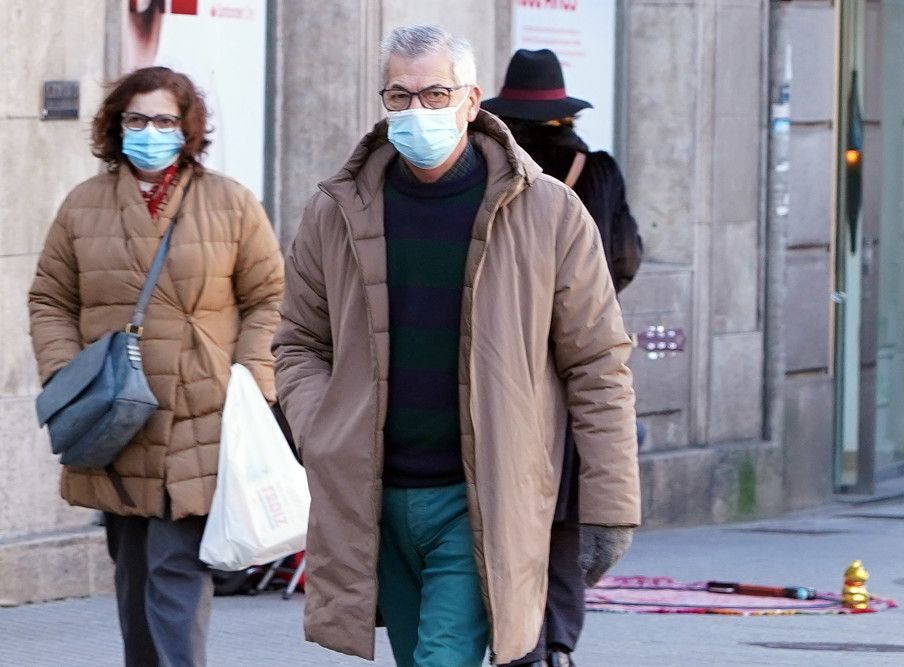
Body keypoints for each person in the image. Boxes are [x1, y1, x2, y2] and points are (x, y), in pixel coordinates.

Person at [272, 25, 641, 667]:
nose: (417, 112)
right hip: (375, 495)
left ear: (472, 103)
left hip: (482, 498)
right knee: (422, 656)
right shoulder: (336, 211)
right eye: (400, 96)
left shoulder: (547, 212)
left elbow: (598, 364)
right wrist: (323, 428)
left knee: (444, 657)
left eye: (435, 93)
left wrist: (611, 504)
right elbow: (299, 342)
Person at [27, 66, 284, 666]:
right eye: (137, 119)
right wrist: (67, 375)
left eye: (165, 120)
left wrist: (248, 376)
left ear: (187, 128)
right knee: (133, 571)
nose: (150, 131)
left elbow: (271, 296)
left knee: (175, 570)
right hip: (111, 416)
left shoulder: (229, 201)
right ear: (116, 126)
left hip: (198, 414)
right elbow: (50, 298)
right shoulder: (84, 204)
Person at [482, 48, 643, 667]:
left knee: (511, 503)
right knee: (569, 510)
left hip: (506, 357)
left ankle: (512, 636)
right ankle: (557, 641)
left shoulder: (492, 168)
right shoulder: (594, 170)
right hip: (574, 358)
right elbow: (625, 255)